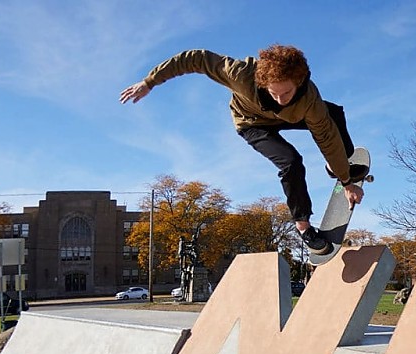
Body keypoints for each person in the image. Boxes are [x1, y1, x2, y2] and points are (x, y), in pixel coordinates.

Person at [120, 45, 364, 256]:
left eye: (286, 92)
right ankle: (304, 227)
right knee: (290, 161)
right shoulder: (239, 74)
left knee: (333, 116)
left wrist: (345, 180)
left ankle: (335, 168)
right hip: (252, 124)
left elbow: (326, 138)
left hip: (291, 117)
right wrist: (151, 81)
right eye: (273, 92)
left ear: (299, 83)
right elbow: (195, 58)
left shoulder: (310, 99)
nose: (280, 99)